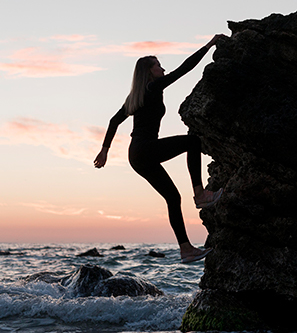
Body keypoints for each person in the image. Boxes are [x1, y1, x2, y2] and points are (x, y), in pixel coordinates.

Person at [94, 34, 225, 264]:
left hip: (137, 155)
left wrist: (105, 151)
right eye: (159, 66)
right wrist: (208, 46)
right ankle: (201, 194)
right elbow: (183, 70)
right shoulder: (153, 88)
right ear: (150, 72)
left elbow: (114, 121)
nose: (163, 69)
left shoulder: (136, 96)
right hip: (145, 149)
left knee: (173, 198)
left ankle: (186, 250)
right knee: (192, 141)